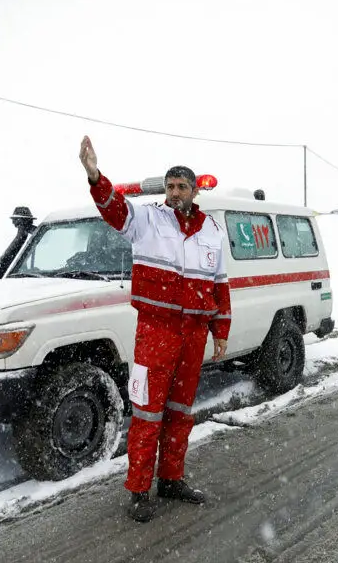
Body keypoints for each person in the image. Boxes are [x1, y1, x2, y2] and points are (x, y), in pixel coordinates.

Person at [79, 135, 231, 522]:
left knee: (180, 412)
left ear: (194, 191)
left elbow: (219, 285)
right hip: (156, 331)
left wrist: (221, 330)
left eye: (182, 186)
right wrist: (95, 175)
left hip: (194, 334)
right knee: (148, 413)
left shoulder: (212, 230)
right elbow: (114, 210)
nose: (175, 192)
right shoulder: (147, 219)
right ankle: (138, 490)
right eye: (170, 186)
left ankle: (172, 479)